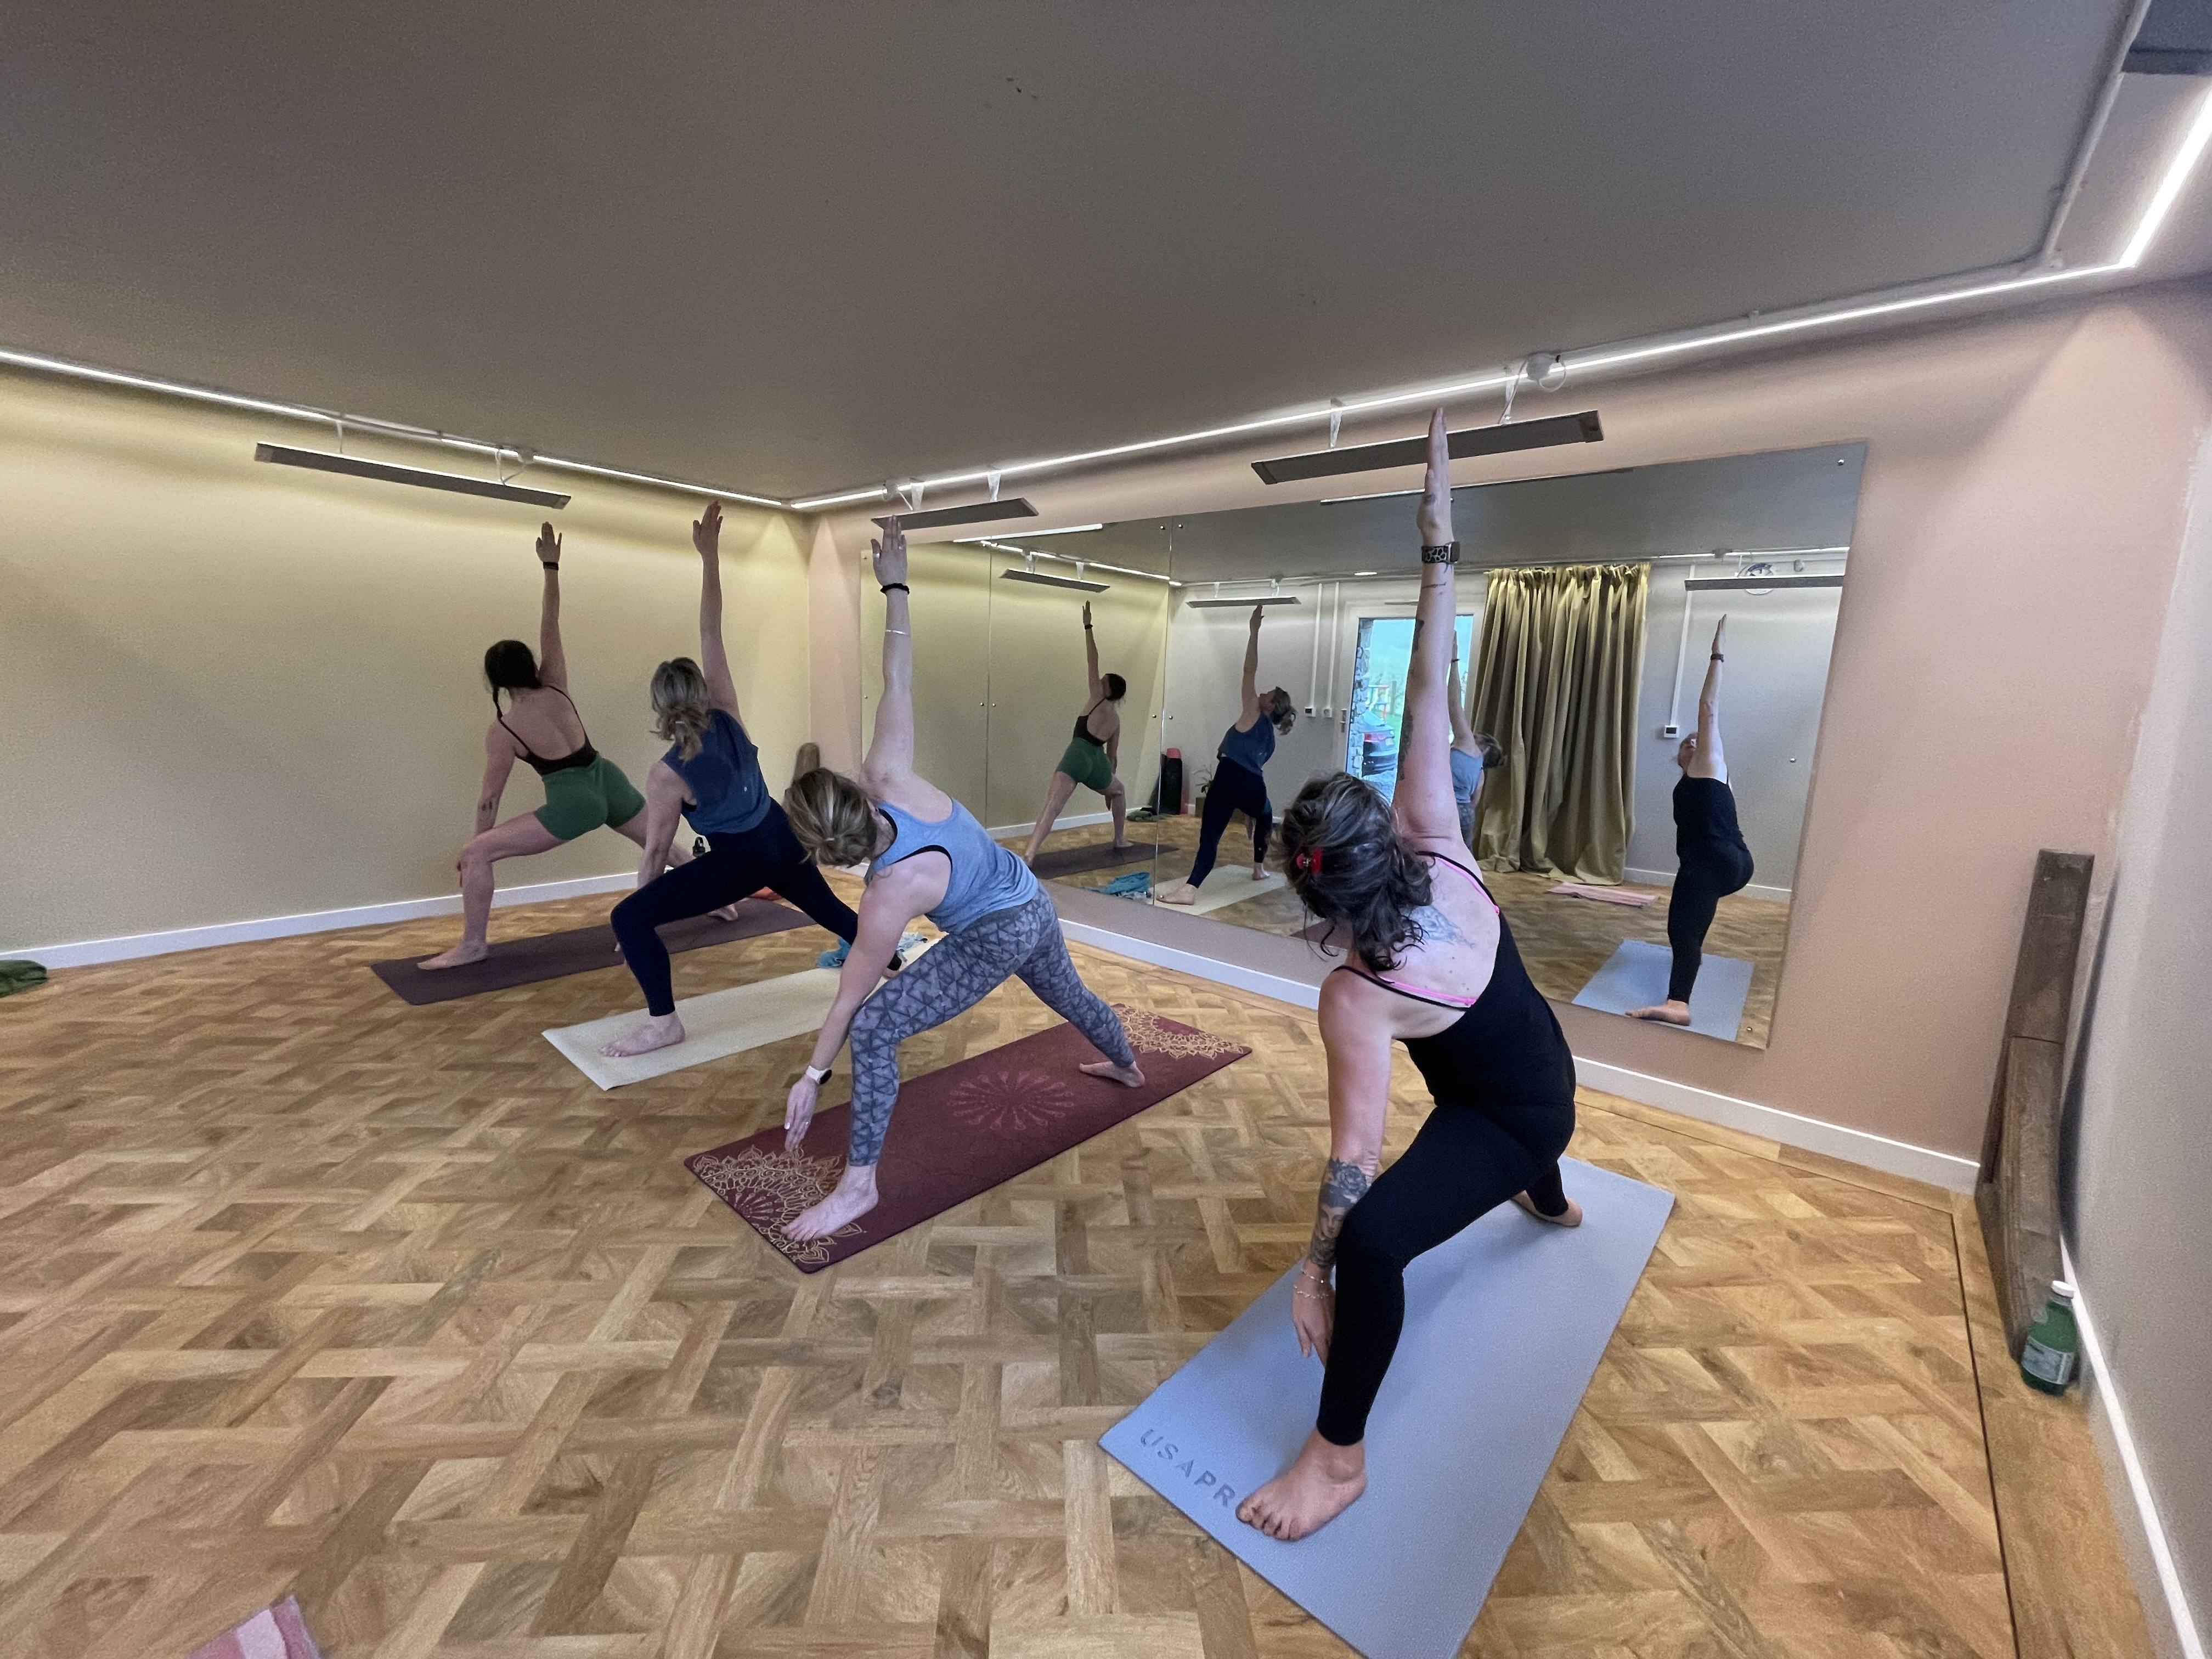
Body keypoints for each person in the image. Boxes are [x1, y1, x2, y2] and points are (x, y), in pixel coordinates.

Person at [1237, 411, 1582, 1544]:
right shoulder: (1438, 834)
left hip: (1511, 1113)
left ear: (1314, 894)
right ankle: (1544, 1190)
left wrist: (1315, 1273)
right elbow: (1433, 682)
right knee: (1507, 1102)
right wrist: (1439, 541)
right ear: (1384, 827)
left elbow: (1352, 1164)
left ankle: (1337, 1463)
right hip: (1547, 1078)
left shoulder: (1360, 993)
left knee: (1381, 1240)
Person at [779, 516, 1146, 1242]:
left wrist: (813, 1076)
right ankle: (1128, 1066)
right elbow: (897, 671)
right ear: (855, 792)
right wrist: (895, 584)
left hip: (999, 928)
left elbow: (856, 993)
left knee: (878, 1026)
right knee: (1069, 993)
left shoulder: (887, 892)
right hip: (1028, 901)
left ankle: (858, 1189)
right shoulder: (890, 776)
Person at [596, 502, 868, 1057]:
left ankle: (664, 1023)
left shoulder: (665, 775)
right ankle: (887, 962)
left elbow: (653, 857)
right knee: (831, 911)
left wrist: (637, 922)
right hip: (783, 837)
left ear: (658, 707)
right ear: (700, 691)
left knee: (628, 917)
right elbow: (710, 627)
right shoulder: (727, 710)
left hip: (739, 862)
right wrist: (710, 555)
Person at [419, 524, 681, 970]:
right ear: (529, 665)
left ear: (495, 680)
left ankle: (473, 944)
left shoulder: (504, 729)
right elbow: (551, 619)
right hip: (608, 778)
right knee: (663, 847)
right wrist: (550, 565)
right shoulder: (556, 683)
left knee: (477, 853)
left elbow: (489, 800)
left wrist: (477, 851)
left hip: (574, 802)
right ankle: (719, 901)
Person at [1629, 617, 1753, 1025]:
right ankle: (1680, 995)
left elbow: (1709, 709)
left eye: (1699, 740)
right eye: (1687, 743)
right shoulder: (1695, 777)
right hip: (1722, 861)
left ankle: (1678, 1004)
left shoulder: (1711, 765)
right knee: (1688, 928)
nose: (1695, 743)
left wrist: (1716, 654)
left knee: (1682, 930)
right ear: (1679, 755)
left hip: (1715, 859)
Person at [1159, 606, 1296, 905]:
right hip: (1252, 787)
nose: (1261, 695)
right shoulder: (1270, 739)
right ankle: (1259, 869)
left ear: (1270, 706)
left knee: (1210, 837)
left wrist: (1254, 632)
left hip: (1228, 779)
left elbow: (1249, 670)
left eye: (1268, 696)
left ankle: (1191, 889)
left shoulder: (1252, 711)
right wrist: (1249, 808)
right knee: (1264, 813)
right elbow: (1254, 773)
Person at [1019, 603, 1131, 864]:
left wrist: (1088, 625)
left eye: (1103, 681)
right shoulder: (1115, 720)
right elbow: (1112, 758)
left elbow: (1093, 659)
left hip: (1077, 756)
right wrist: (1108, 788)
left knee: (1053, 807)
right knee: (1120, 791)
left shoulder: (1095, 697)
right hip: (1097, 765)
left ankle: (1030, 852)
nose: (1098, 681)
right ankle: (1120, 839)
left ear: (1107, 690)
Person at [1445, 653, 1504, 850]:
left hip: (1447, 809)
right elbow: (1473, 803)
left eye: (1478, 736)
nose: (1473, 735)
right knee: (1463, 854)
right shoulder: (1480, 774)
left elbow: (1454, 706)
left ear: (1486, 748)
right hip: (1465, 815)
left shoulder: (1469, 745)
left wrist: (1454, 663)